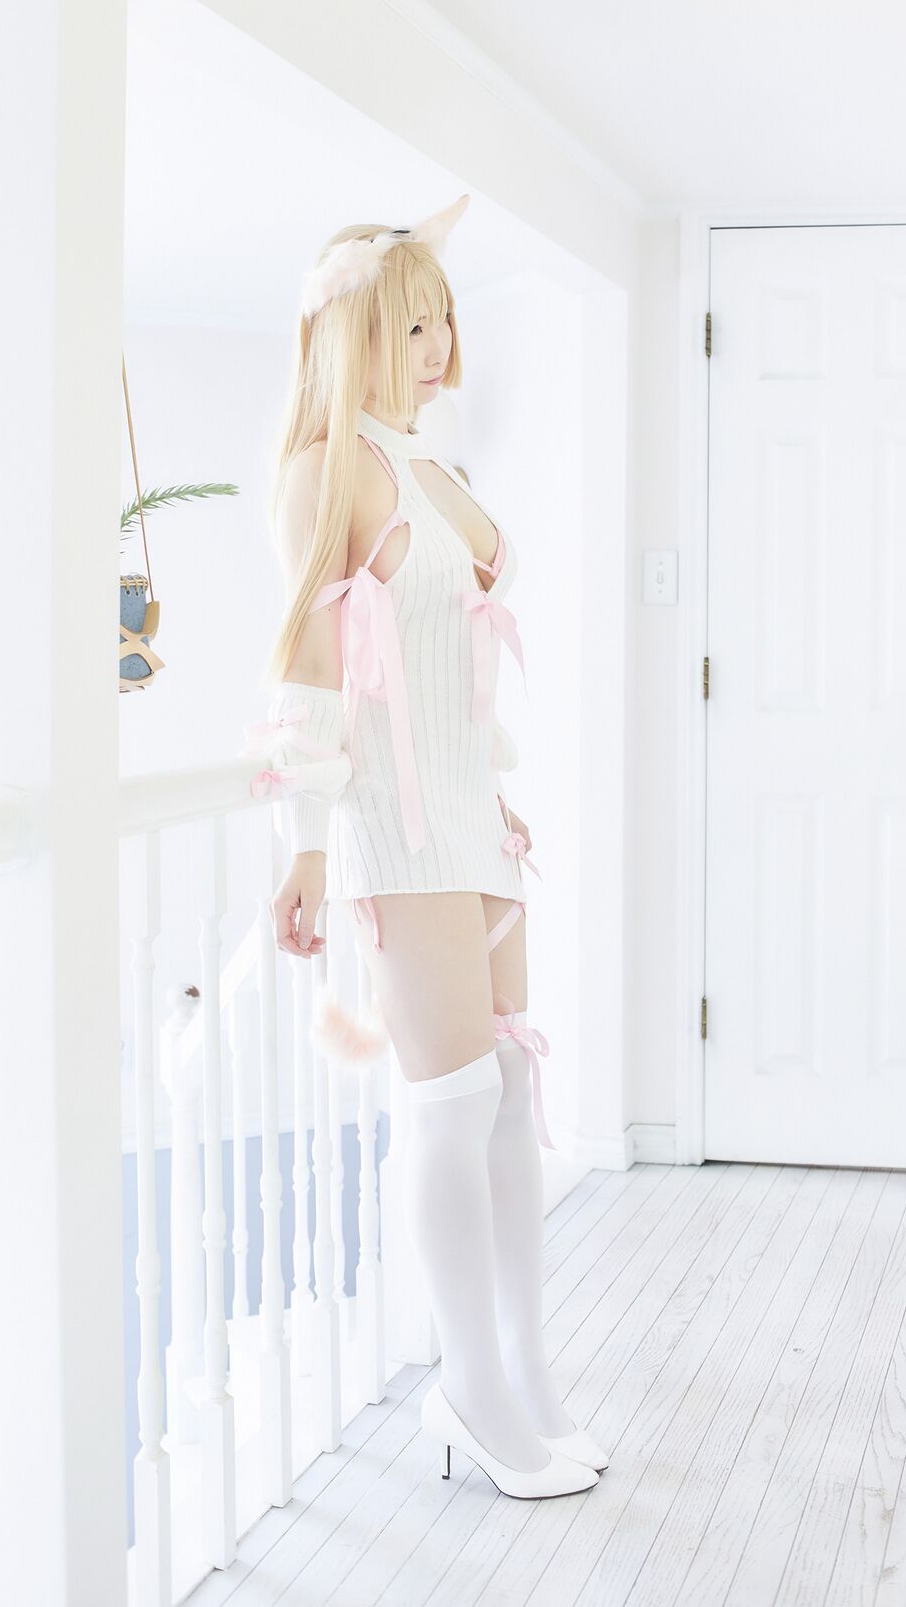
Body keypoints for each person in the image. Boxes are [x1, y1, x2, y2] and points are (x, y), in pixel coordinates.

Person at [248, 193, 608, 1500]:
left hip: (471, 817)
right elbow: (310, 655)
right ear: (352, 332)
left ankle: (526, 1374)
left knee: (507, 1090)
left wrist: (495, 790)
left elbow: (454, 660)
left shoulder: (431, 467)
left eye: (442, 319)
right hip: (394, 826)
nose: (438, 345)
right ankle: (468, 1389)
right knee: (451, 1104)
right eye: (411, 324)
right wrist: (303, 842)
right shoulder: (330, 468)